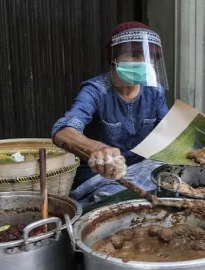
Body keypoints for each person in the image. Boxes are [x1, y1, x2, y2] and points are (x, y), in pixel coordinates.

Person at [51, 22, 169, 205]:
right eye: (134, 55)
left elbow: (168, 133)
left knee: (178, 175)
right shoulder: (95, 91)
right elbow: (62, 132)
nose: (144, 63)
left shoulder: (155, 92)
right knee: (114, 197)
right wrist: (98, 149)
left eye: (149, 57)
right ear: (115, 57)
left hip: (141, 169)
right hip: (101, 175)